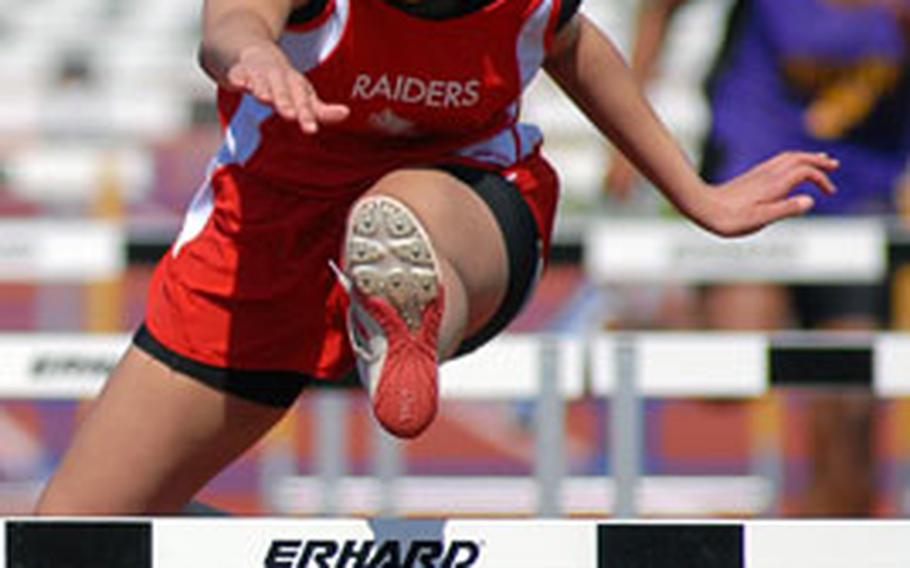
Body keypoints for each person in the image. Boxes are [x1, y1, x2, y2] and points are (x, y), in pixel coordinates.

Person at [34, 0, 838, 515]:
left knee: (398, 208)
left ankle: (408, 315)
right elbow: (233, 19)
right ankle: (392, 300)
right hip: (266, 237)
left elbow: (570, 43)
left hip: (467, 210)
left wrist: (699, 194)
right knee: (69, 536)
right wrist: (253, 54)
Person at [605, 0, 910, 515]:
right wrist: (627, 142)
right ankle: (642, 318)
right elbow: (658, 8)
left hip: (858, 192)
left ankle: (826, 549)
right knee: (729, 372)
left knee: (851, 407)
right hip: (754, 170)